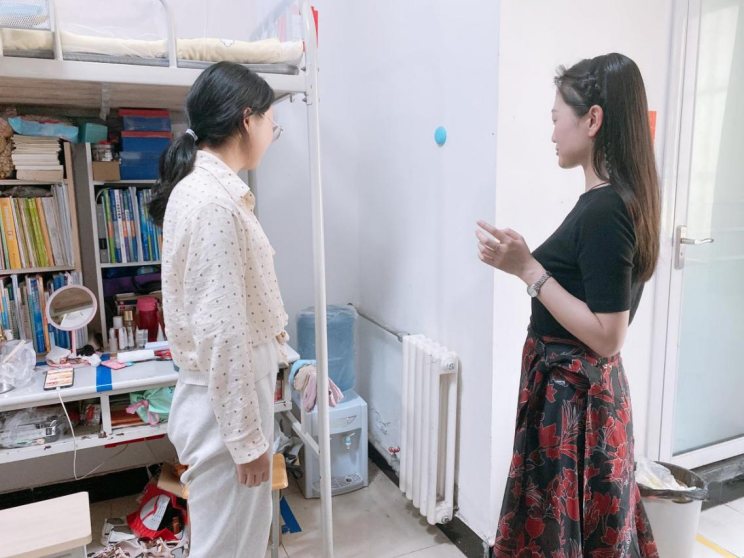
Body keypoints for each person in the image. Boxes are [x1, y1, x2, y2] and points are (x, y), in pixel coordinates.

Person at [476, 53, 660, 557]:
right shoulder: (619, 199)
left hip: (576, 407)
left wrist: (528, 269)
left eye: (557, 118)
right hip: (582, 400)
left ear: (592, 119)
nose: (552, 133)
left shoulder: (605, 209)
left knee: (561, 539)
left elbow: (608, 334)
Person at [150, 61, 289, 558]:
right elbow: (223, 331)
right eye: (272, 123)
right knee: (229, 550)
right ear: (248, 119)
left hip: (226, 400)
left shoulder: (209, 191)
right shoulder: (213, 202)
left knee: (233, 544)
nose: (273, 134)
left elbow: (238, 313)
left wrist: (289, 360)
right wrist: (246, 441)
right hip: (224, 408)